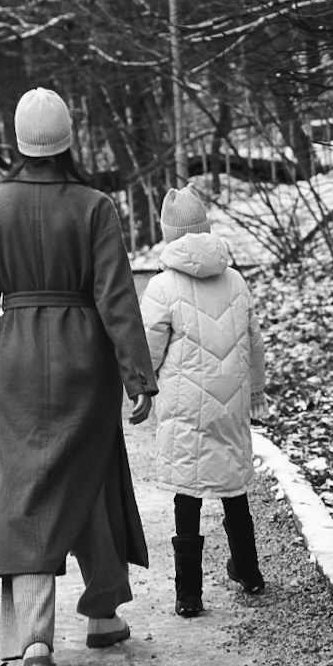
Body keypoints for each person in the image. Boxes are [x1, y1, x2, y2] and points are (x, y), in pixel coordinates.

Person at [0, 87, 157, 666]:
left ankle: (34, 639)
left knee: (24, 491)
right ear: (70, 138)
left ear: (18, 140)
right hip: (83, 356)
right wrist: (136, 374)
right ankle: (101, 614)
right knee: (88, 472)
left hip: (16, 355)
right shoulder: (95, 206)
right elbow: (117, 297)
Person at [134, 181, 267, 616]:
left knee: (187, 495)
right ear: (205, 227)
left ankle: (188, 594)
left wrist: (141, 387)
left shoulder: (161, 287)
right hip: (230, 402)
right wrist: (257, 391)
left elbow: (149, 349)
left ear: (168, 233)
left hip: (184, 406)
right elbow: (254, 342)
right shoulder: (235, 279)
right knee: (233, 486)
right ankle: (248, 570)